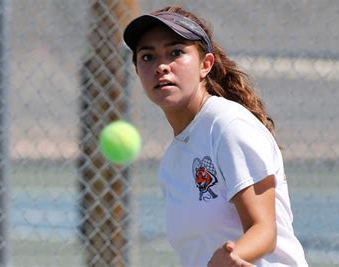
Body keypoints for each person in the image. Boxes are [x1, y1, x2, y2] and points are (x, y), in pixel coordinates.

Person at [123, 5, 308, 267]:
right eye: (147, 57)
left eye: (176, 52)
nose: (161, 66)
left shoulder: (228, 126)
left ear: (205, 65)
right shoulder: (172, 159)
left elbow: (264, 231)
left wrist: (232, 257)